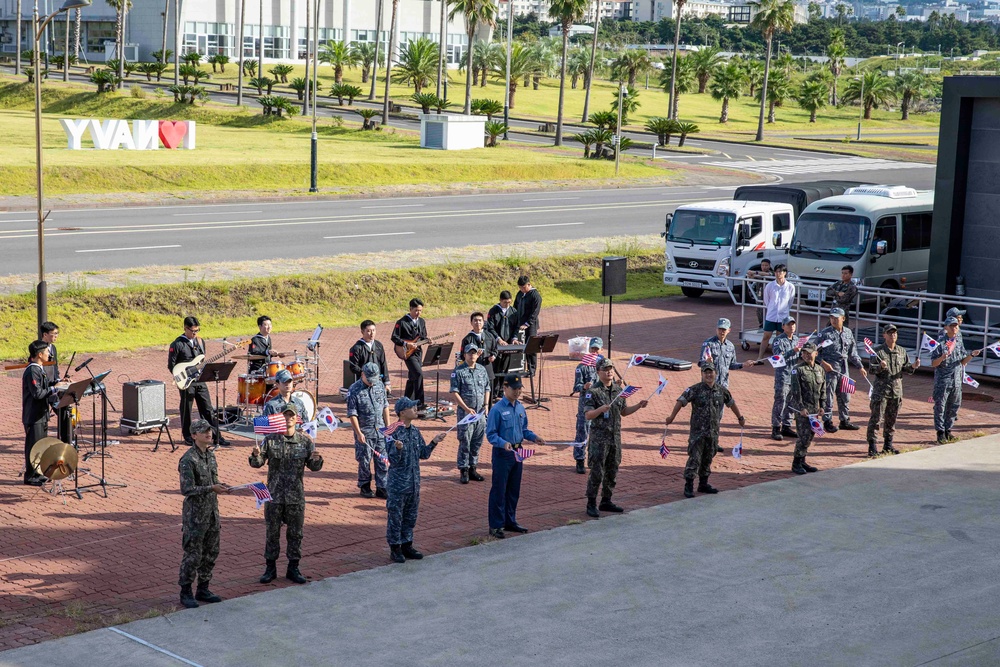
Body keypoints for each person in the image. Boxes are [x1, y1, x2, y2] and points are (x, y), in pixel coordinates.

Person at [250, 403, 324, 585]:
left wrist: (317, 459)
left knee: (295, 534)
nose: (288, 418)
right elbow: (258, 463)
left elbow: (314, 467)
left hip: (295, 497)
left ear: (296, 418)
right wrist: (255, 455)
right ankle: (270, 568)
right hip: (274, 496)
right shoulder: (271, 440)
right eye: (286, 415)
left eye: (292, 415)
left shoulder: (305, 441)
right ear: (282, 417)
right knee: (272, 533)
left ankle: (293, 567)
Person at [664, 362, 745, 499]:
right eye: (706, 372)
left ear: (715, 373)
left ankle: (703, 484)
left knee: (708, 457)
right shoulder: (695, 389)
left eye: (711, 372)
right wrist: (671, 417)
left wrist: (740, 417)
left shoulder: (721, 390)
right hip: (698, 433)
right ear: (701, 374)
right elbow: (681, 401)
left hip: (713, 432)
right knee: (695, 459)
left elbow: (731, 403)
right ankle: (689, 485)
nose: (709, 375)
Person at [583, 358, 649, 517]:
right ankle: (591, 502)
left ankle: (606, 500)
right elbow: (588, 415)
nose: (609, 371)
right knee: (597, 472)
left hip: (614, 439)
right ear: (599, 372)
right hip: (599, 440)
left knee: (612, 470)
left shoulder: (619, 390)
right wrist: (600, 409)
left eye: (611, 368)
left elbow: (624, 412)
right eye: (606, 369)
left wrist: (639, 406)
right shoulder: (593, 392)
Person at [385, 397, 447, 563]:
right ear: (402, 413)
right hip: (398, 485)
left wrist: (434, 442)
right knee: (395, 518)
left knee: (410, 517)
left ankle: (407, 544)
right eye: (412, 408)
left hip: (413, 484)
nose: (415, 409)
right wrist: (397, 450)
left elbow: (423, 454)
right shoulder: (392, 431)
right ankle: (395, 548)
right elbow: (392, 461)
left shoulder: (414, 431)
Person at [177, 419, 231, 609]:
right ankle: (185, 591)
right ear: (194, 436)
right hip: (195, 517)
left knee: (211, 552)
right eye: (204, 431)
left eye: (210, 430)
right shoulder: (188, 460)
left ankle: (203, 588)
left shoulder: (211, 456)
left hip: (212, 514)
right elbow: (187, 489)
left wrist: (221, 486)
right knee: (193, 554)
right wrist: (211, 488)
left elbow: (213, 481)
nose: (209, 434)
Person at [486, 376, 546, 539]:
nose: (518, 392)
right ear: (505, 388)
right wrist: (502, 443)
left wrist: (534, 437)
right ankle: (496, 525)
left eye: (519, 388)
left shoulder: (520, 408)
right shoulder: (497, 409)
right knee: (499, 490)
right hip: (503, 453)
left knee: (513, 489)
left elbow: (524, 429)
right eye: (514, 389)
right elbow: (490, 434)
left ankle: (510, 520)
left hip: (518, 450)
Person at [168, 316, 229, 448]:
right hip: (186, 381)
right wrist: (182, 375)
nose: (195, 333)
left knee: (208, 409)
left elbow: (201, 360)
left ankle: (216, 436)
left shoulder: (200, 342)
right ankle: (188, 436)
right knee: (187, 410)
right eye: (192, 330)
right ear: (185, 328)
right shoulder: (177, 344)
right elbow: (171, 365)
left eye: (197, 330)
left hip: (200, 380)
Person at [699, 318, 756, 452]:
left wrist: (743, 364)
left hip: (723, 387)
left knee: (718, 415)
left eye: (724, 329)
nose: (722, 331)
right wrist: (707, 362)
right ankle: (704, 443)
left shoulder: (730, 346)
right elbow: (701, 364)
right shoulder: (708, 344)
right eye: (720, 329)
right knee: (707, 415)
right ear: (716, 329)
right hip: (709, 386)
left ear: (729, 330)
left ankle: (714, 442)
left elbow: (732, 365)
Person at [866, 324, 920, 457]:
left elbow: (906, 368)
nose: (892, 335)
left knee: (892, 419)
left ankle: (888, 445)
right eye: (889, 333)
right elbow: (871, 369)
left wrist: (913, 366)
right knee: (876, 419)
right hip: (881, 392)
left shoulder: (901, 351)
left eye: (894, 333)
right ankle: (872, 446)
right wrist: (880, 366)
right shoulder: (878, 352)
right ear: (884, 335)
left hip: (896, 391)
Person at [21, 340, 68, 486]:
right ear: (39, 354)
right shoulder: (32, 370)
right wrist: (55, 389)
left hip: (41, 414)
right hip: (33, 416)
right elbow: (38, 393)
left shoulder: (39, 368)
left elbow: (45, 385)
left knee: (41, 445)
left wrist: (57, 383)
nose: (49, 354)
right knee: (33, 445)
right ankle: (30, 476)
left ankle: (38, 473)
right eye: (47, 352)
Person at [816, 307, 868, 433]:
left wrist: (860, 366)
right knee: (828, 396)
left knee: (845, 395)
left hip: (844, 368)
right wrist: (823, 363)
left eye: (836, 318)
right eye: (831, 318)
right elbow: (814, 352)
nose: (834, 320)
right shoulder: (824, 333)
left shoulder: (848, 333)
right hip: (830, 369)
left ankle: (844, 420)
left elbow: (852, 352)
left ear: (843, 318)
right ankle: (827, 421)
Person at [931, 317, 980, 444]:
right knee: (940, 407)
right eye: (952, 326)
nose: (954, 328)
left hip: (956, 380)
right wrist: (942, 357)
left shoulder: (958, 342)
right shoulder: (941, 343)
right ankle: (940, 432)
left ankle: (948, 430)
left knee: (954, 407)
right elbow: (934, 364)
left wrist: (971, 355)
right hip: (943, 381)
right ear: (946, 327)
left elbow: (963, 361)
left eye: (956, 326)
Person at [347, 362, 391, 499]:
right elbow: (352, 414)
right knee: (364, 460)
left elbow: (385, 406)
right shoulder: (354, 389)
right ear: (362, 375)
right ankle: (365, 486)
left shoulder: (379, 385)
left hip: (380, 430)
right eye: (369, 379)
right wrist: (359, 432)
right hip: (365, 432)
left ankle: (382, 487)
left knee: (382, 460)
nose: (372, 383)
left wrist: (388, 428)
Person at [450, 344, 491, 485]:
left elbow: (487, 388)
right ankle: (464, 469)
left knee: (477, 441)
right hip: (466, 414)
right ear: (465, 355)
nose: (472, 355)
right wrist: (466, 409)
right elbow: (455, 392)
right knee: (465, 441)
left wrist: (486, 405)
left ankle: (473, 467)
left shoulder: (481, 369)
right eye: (469, 353)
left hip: (480, 413)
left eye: (474, 353)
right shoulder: (458, 371)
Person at [788, 342, 826, 475]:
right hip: (803, 410)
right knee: (803, 436)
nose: (806, 355)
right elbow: (795, 391)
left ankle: (803, 460)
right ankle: (796, 463)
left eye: (809, 353)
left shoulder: (819, 369)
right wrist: (801, 408)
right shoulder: (797, 369)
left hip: (814, 410)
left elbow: (823, 390)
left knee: (810, 435)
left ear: (816, 353)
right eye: (804, 352)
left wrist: (822, 406)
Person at [571, 337, 603, 474]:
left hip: (599, 404)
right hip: (585, 405)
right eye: (592, 348)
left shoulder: (603, 366)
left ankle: (593, 459)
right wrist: (584, 386)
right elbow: (576, 387)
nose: (594, 351)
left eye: (597, 349)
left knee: (597, 434)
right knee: (582, 432)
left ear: (601, 349)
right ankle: (579, 460)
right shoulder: (581, 367)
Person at [770, 316, 802, 441]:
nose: (791, 327)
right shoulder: (778, 340)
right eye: (788, 325)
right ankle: (776, 427)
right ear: (783, 326)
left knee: (791, 402)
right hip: (783, 376)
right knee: (780, 401)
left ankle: (787, 426)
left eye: (793, 324)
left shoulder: (797, 339)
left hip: (793, 375)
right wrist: (793, 351)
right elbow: (778, 356)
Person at [391, 298, 428, 407]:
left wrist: (427, 340)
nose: (418, 313)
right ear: (410, 309)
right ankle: (420, 403)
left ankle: (406, 402)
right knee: (418, 374)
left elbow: (423, 337)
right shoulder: (401, 322)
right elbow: (394, 337)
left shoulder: (422, 321)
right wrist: (406, 344)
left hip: (418, 352)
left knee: (413, 377)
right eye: (416, 310)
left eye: (420, 310)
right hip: (407, 352)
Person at [759, 264, 795, 360]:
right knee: (766, 336)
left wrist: (784, 310)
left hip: (783, 317)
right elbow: (767, 300)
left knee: (780, 337)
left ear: (785, 273)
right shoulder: (770, 286)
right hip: (771, 315)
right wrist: (772, 308)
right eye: (776, 271)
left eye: (780, 271)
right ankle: (760, 357)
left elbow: (790, 301)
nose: (778, 274)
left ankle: (778, 357)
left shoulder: (790, 287)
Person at [348, 320, 390, 390]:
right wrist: (365, 374)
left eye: (373, 330)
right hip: (363, 383)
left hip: (378, 382)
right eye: (369, 331)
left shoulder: (378, 345)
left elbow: (383, 364)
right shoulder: (357, 348)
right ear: (362, 332)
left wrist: (386, 382)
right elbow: (353, 366)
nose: (372, 333)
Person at [462, 312, 498, 390]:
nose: (478, 322)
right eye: (475, 320)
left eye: (480, 320)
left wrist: (493, 356)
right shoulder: (467, 339)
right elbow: (463, 355)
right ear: (471, 322)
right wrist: (474, 357)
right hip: (474, 369)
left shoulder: (490, 336)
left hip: (487, 368)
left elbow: (495, 349)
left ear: (483, 322)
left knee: (488, 392)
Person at [514, 276, 542, 375]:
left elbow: (535, 312)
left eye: (524, 287)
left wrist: (527, 323)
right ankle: (521, 367)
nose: (522, 290)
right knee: (521, 346)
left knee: (531, 347)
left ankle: (532, 369)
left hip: (531, 325)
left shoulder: (535, 295)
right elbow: (515, 307)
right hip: (520, 324)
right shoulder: (520, 294)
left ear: (529, 285)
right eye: (520, 288)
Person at [745, 259, 773, 327]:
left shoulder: (772, 273)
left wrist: (755, 272)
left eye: (766, 265)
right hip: (760, 294)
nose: (764, 267)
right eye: (762, 265)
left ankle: (767, 323)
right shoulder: (759, 274)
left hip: (769, 296)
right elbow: (752, 277)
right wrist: (750, 274)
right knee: (759, 309)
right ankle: (761, 323)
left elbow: (767, 274)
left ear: (769, 266)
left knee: (768, 310)